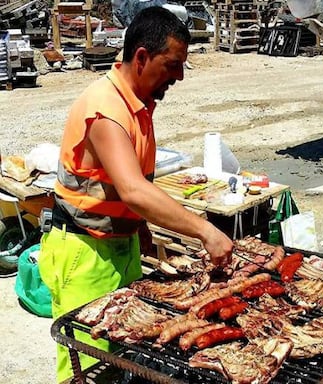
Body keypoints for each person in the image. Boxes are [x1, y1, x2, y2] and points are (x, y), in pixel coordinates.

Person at [38, 6, 233, 383]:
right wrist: (205, 231)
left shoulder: (138, 104)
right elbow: (132, 189)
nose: (177, 76)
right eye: (173, 64)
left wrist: (139, 228)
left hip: (118, 244)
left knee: (125, 354)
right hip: (85, 254)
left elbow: (122, 183)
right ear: (141, 57)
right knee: (87, 364)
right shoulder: (106, 109)